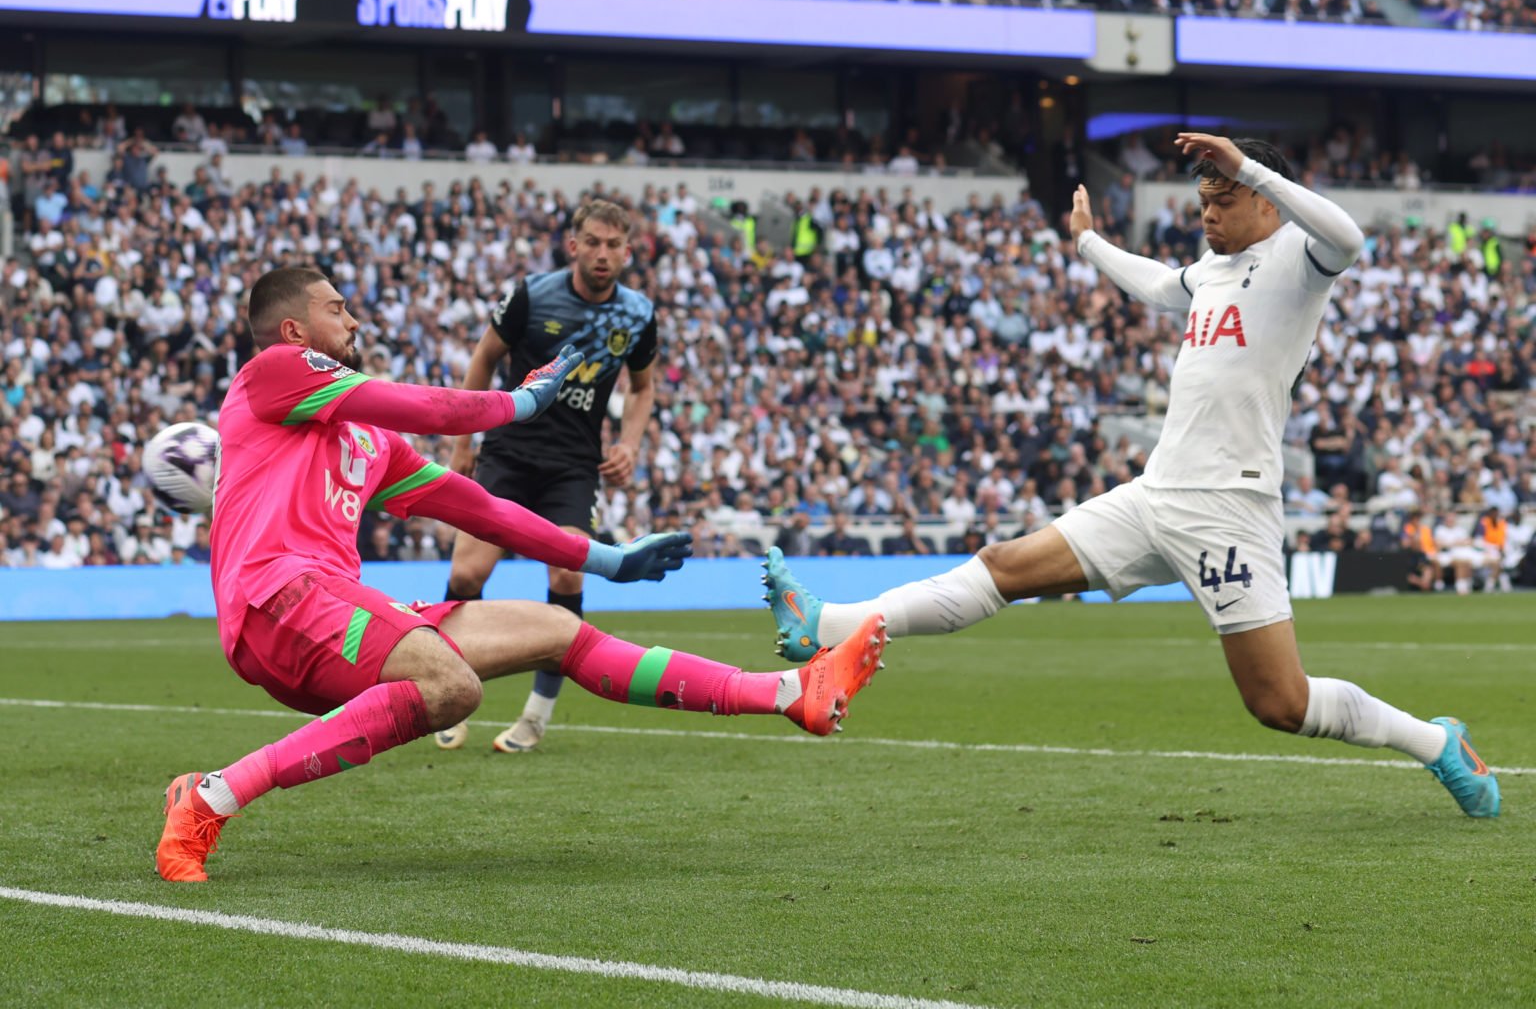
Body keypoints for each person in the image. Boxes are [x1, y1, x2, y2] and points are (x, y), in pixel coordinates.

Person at [759, 134, 1499, 819]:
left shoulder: (1301, 262)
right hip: (1156, 494)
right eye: (1203, 203)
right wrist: (1088, 244)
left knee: (1280, 702)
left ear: (1263, 198)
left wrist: (1249, 165)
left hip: (1227, 507)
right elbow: (1155, 286)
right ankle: (822, 624)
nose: (1208, 215)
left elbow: (1351, 236)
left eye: (1223, 200)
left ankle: (1437, 744)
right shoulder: (1211, 271)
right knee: (1004, 566)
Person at [155, 268, 887, 883]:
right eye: (334, 307)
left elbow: (482, 509)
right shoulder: (272, 375)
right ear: (293, 331)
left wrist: (606, 559)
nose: (351, 317)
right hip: (277, 597)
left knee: (556, 629)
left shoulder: (369, 445)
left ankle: (792, 692)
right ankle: (210, 800)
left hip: (325, 614)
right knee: (453, 688)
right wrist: (520, 402)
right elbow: (421, 404)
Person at [436, 200, 660, 754]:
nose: (603, 253)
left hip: (573, 465)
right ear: (574, 245)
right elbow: (484, 359)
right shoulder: (531, 295)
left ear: (628, 253)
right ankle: (442, 692)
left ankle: (535, 719)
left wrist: (629, 443)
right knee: (467, 573)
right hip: (508, 451)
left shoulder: (637, 315)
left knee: (567, 578)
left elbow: (644, 386)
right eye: (593, 241)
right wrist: (462, 443)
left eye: (614, 245)